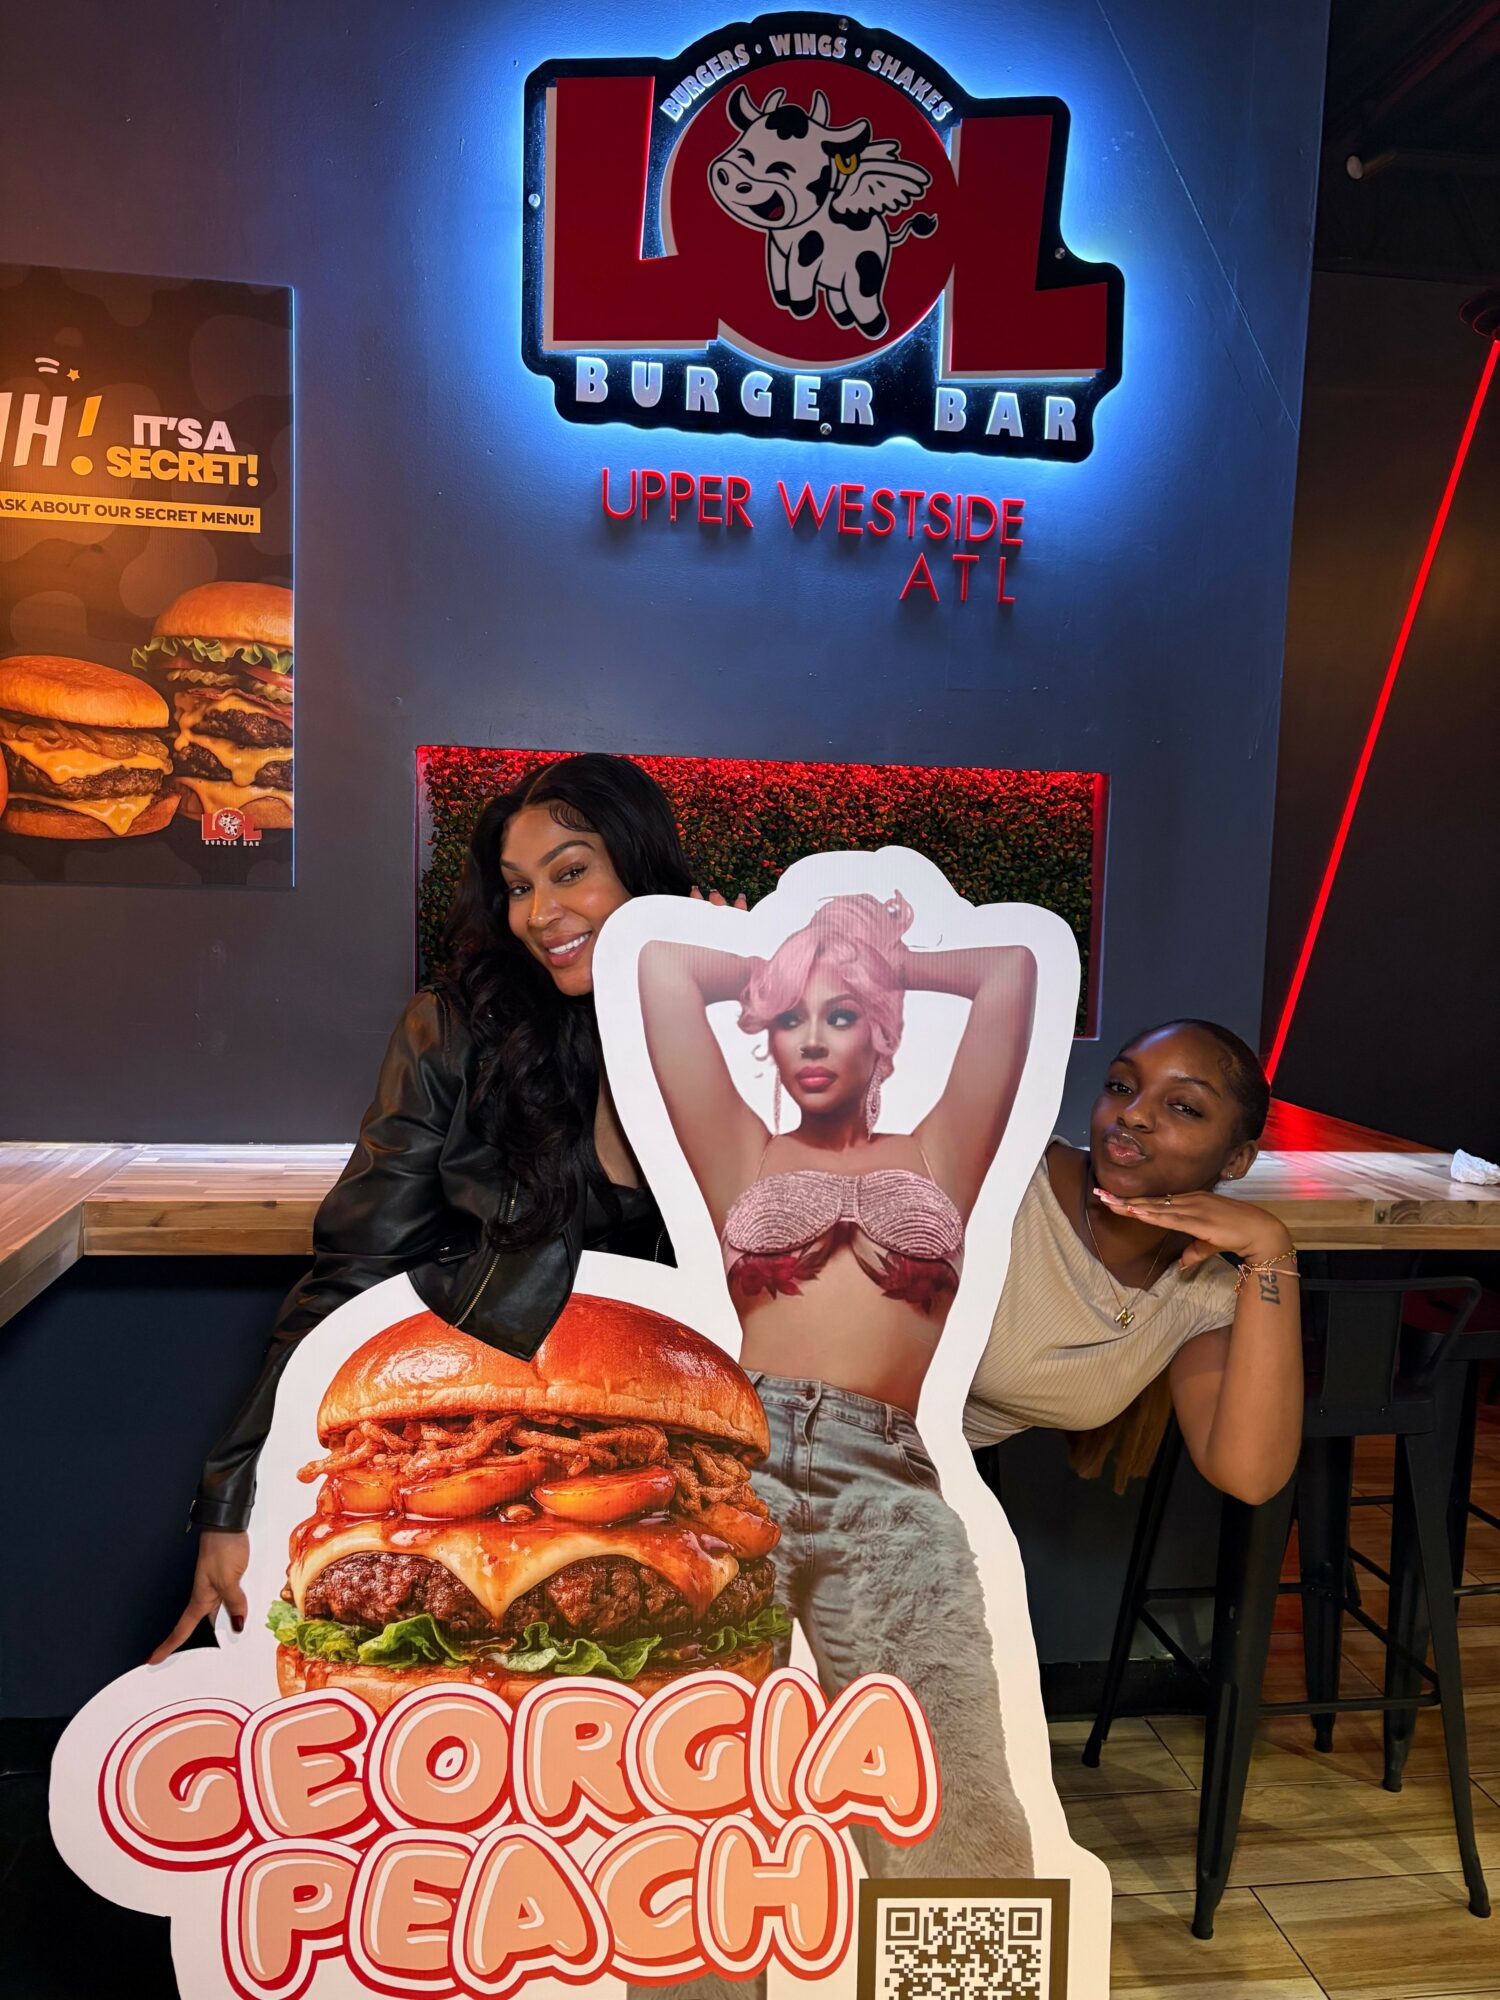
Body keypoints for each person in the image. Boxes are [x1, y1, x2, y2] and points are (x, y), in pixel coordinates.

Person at [152, 753, 694, 1661]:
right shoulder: (452, 1030)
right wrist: (232, 1499)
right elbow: (352, 1276)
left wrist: (742, 1001)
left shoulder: (735, 1029)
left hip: (671, 1456)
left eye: (571, 872)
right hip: (474, 1444)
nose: (539, 915)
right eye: (520, 887)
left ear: (642, 866)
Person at [638, 889, 1040, 1909]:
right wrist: (787, 955)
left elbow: (1010, 976)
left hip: (886, 1473)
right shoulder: (745, 1152)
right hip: (740, 1459)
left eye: (842, 1013)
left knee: (946, 1780)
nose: (809, 1039)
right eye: (787, 1017)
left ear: (883, 1028)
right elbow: (665, 973)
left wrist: (876, 953)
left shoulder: (941, 1150)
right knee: (706, 1791)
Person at [964, 1020, 1303, 1502]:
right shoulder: (1004, 1178)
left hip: (907, 1487)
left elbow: (1250, 1477)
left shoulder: (1203, 1295)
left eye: (1184, 1106)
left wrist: (1271, 1247)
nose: (1134, 1114)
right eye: (1121, 1086)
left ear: (1238, 1160)